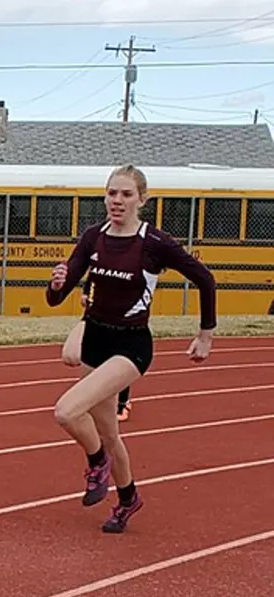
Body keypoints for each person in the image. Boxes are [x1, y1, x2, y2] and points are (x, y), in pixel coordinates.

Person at [46, 164, 216, 534]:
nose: (117, 201)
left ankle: (97, 463)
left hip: (131, 346)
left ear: (142, 199)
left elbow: (205, 279)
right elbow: (58, 297)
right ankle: (127, 499)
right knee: (109, 432)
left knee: (66, 412)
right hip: (95, 339)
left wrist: (205, 334)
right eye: (111, 193)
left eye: (125, 194)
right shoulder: (93, 237)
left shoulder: (155, 243)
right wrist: (57, 283)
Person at [61, 275, 135, 422]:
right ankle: (96, 398)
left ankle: (122, 402)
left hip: (119, 323)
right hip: (93, 319)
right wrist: (86, 296)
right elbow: (88, 288)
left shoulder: (129, 271)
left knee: (116, 358)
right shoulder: (98, 266)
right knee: (71, 356)